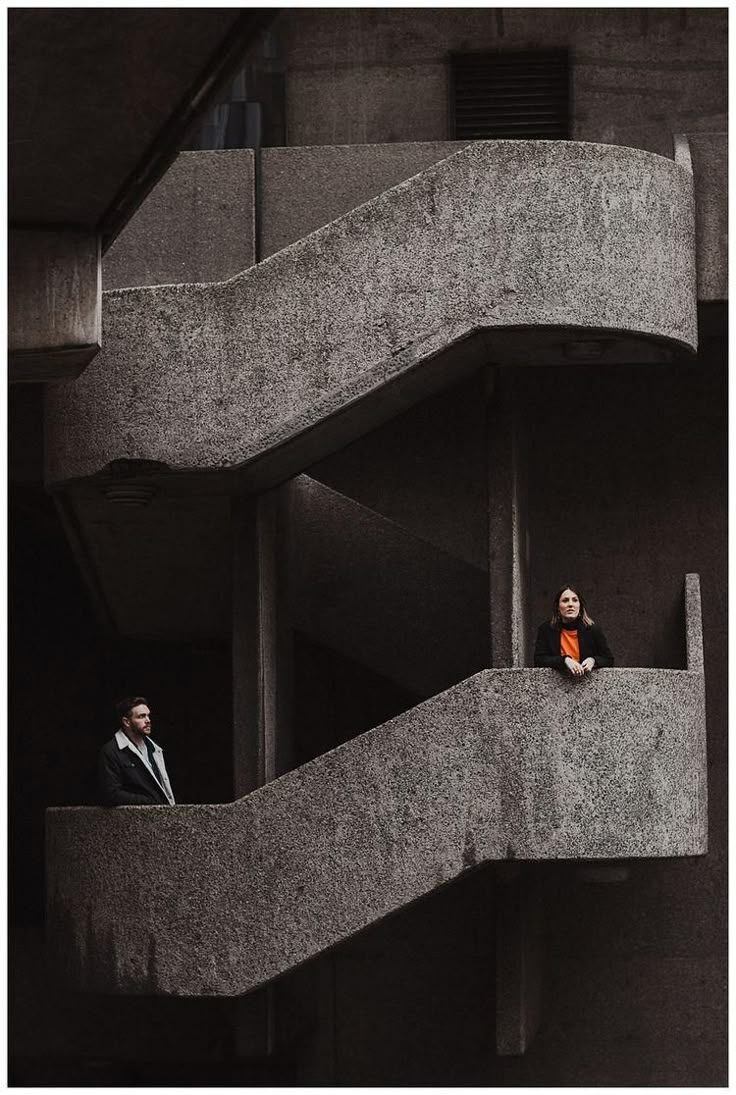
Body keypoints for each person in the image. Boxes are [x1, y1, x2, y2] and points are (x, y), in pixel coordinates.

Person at [98, 696, 175, 805]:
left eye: (148, 715)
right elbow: (111, 794)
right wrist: (151, 802)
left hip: (163, 816)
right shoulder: (111, 751)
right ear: (126, 722)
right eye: (141, 716)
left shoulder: (155, 748)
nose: (148, 720)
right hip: (135, 818)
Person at [534, 585, 614, 678]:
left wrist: (593, 660)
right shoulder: (547, 629)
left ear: (580, 606)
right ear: (558, 607)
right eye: (565, 600)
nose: (570, 604)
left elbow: (609, 659)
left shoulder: (593, 630)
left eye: (575, 600)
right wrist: (564, 661)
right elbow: (539, 660)